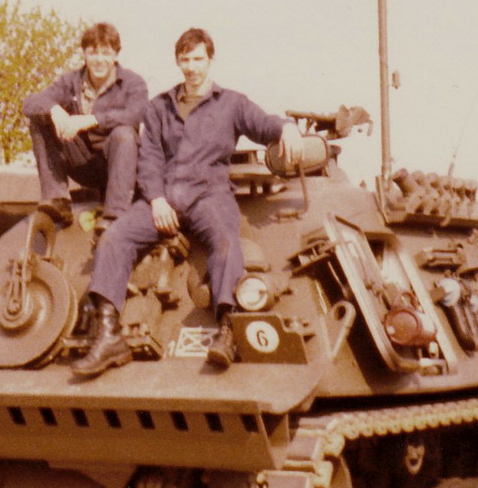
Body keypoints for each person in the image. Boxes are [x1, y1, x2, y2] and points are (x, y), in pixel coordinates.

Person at [72, 28, 303, 378]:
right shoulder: (160, 107)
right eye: (185, 59)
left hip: (209, 195)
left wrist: (287, 127)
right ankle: (108, 336)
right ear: (177, 62)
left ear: (210, 60)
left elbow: (263, 124)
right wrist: (156, 199)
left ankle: (228, 329)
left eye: (198, 59)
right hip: (164, 197)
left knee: (226, 243)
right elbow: (149, 158)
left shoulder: (231, 103)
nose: (192, 67)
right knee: (114, 238)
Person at [22, 22, 148, 227]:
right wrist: (54, 109)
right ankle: (57, 200)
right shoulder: (71, 81)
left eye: (106, 53)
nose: (99, 60)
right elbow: (30, 102)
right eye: (93, 53)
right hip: (83, 163)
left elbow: (137, 114)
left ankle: (115, 216)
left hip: (118, 166)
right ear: (84, 54)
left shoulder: (133, 83)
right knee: (40, 119)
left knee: (124, 134)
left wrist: (91, 120)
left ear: (116, 55)